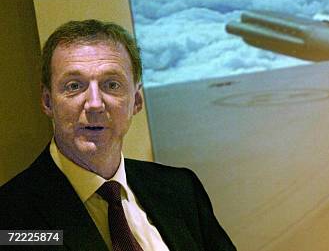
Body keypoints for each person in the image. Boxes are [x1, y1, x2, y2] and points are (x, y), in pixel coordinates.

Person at [0, 20, 236, 251]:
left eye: (111, 85)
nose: (94, 104)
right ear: (48, 101)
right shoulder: (10, 218)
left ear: (137, 101)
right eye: (74, 86)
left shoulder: (181, 189)